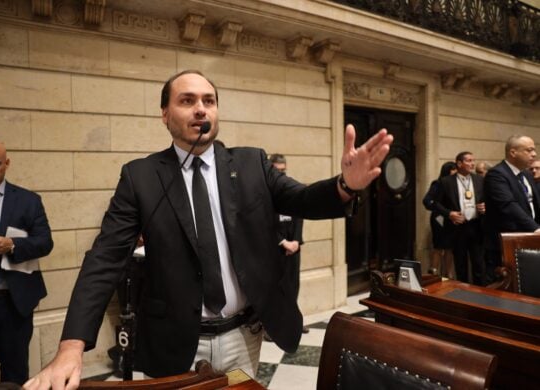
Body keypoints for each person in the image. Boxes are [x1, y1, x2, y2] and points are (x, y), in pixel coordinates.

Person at [24, 70, 393, 389]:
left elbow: (302, 199)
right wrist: (71, 346)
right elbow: (105, 258)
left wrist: (345, 185)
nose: (201, 108)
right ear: (165, 114)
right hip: (175, 341)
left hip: (242, 335)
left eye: (209, 100)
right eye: (187, 100)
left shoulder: (251, 163)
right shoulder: (140, 177)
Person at [0, 140, 53, 386]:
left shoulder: (28, 201)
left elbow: (45, 242)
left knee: (15, 373)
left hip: (14, 303)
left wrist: (12, 246)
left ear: (6, 164)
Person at [484, 135, 540, 283]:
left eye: (534, 150)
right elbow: (508, 205)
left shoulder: (526, 174)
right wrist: (535, 229)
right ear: (513, 152)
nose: (534, 154)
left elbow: (534, 204)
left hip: (528, 241)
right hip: (504, 245)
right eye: (529, 150)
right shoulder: (497, 174)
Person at [267, 154, 308, 338]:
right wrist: (282, 242)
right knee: (274, 288)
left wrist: (296, 242)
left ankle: (293, 323)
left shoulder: (289, 189)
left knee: (292, 286)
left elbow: (299, 216)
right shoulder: (264, 193)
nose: (281, 174)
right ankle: (271, 329)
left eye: (284, 170)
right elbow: (263, 222)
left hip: (293, 248)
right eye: (277, 170)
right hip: (274, 249)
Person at [432, 152, 486, 285]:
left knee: (479, 264)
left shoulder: (479, 180)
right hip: (457, 227)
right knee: (460, 265)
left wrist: (486, 206)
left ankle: (481, 294)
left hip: (476, 226)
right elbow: (435, 203)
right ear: (459, 163)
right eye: (468, 161)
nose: (472, 164)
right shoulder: (446, 182)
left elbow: (489, 199)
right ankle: (463, 296)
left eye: (473, 160)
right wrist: (449, 213)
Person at [422, 161, 457, 278]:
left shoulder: (456, 184)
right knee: (439, 246)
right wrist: (441, 210)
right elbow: (427, 201)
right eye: (453, 171)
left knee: (449, 248)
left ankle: (448, 275)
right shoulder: (438, 183)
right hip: (440, 219)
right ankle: (434, 273)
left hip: (452, 219)